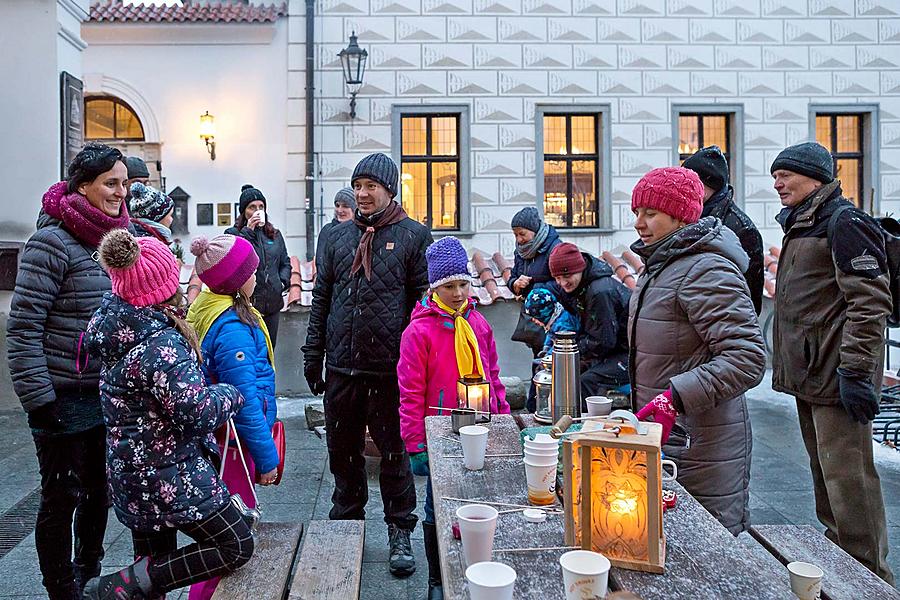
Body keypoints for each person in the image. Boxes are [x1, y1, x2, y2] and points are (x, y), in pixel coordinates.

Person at [83, 229, 251, 599]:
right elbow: (196, 410)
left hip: (134, 474)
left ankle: (129, 584)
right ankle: (123, 583)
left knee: (150, 571)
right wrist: (231, 393)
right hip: (169, 473)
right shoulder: (159, 342)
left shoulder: (117, 326)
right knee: (235, 544)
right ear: (162, 285)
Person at [7, 143, 132, 599]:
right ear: (83, 186)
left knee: (99, 494)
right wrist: (40, 401)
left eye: (124, 183)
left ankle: (88, 572)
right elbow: (23, 328)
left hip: (104, 393)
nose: (121, 192)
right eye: (110, 183)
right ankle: (60, 587)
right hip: (60, 395)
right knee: (62, 497)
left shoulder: (116, 240)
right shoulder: (51, 242)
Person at [303, 152, 432, 578]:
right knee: (342, 455)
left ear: (389, 189)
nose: (361, 194)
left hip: (389, 371)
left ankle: (399, 531)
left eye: (370, 186)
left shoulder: (415, 236)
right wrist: (313, 353)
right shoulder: (335, 237)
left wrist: (418, 365)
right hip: (342, 367)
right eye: (357, 186)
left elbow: (421, 305)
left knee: (394, 455)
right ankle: (347, 529)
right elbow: (322, 298)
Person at [770, 142, 894, 583]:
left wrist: (857, 372)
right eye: (774, 177)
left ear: (814, 177)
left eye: (785, 174)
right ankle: (842, 568)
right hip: (811, 373)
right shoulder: (805, 224)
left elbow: (870, 301)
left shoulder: (844, 222)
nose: (778, 183)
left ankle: (870, 581)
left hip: (837, 375)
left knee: (850, 483)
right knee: (826, 479)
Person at [628, 166, 765, 536]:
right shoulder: (661, 265)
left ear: (680, 216)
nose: (639, 223)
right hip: (672, 441)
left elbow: (747, 357)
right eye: (637, 213)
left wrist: (675, 396)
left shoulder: (704, 268)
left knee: (708, 555)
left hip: (701, 446)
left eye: (650, 213)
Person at [398, 236, 510, 600]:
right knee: (438, 505)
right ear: (434, 288)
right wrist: (415, 443)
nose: (459, 292)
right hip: (441, 432)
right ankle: (437, 578)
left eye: (463, 284)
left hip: (481, 425)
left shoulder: (479, 324)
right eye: (449, 286)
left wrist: (505, 419)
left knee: (481, 498)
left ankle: (478, 566)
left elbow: (493, 376)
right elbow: (411, 393)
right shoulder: (419, 332)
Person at [186, 233, 281, 600]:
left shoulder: (211, 308)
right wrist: (267, 459)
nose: (257, 275)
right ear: (236, 280)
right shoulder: (234, 331)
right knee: (229, 539)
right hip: (233, 449)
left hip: (225, 444)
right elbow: (244, 404)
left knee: (228, 535)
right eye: (252, 270)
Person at [683, 145, 764, 315]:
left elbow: (750, 298)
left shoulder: (742, 228)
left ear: (707, 184)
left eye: (689, 182)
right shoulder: (688, 215)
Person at [546, 243, 631, 399]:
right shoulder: (579, 286)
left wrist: (572, 351)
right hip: (611, 349)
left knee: (585, 381)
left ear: (580, 269)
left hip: (629, 354)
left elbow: (603, 341)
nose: (563, 283)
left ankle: (582, 421)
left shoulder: (600, 292)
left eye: (567, 276)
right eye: (558, 278)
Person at [225, 185, 291, 347]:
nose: (257, 210)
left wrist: (282, 282)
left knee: (269, 350)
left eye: (261, 206)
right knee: (250, 350)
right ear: (243, 211)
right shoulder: (233, 234)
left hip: (272, 305)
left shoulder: (274, 235)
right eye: (252, 207)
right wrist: (248, 231)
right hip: (246, 306)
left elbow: (285, 262)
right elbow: (235, 261)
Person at [508, 207, 562, 358]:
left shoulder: (555, 249)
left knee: (549, 360)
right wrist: (515, 284)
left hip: (552, 317)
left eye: (522, 234)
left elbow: (562, 283)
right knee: (538, 359)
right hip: (532, 319)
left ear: (535, 230)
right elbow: (513, 276)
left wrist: (532, 289)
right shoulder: (521, 251)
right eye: (515, 235)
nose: (519, 239)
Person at [523, 287, 580, 357]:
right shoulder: (553, 321)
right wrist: (546, 347)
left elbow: (561, 346)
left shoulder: (563, 325)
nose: (533, 320)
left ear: (544, 315)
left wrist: (549, 355)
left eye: (535, 318)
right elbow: (550, 335)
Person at [316, 186, 356, 262]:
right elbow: (320, 262)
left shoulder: (362, 230)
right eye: (337, 205)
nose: (340, 210)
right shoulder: (327, 230)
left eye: (345, 206)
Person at [129, 181, 175, 246]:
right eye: (170, 215)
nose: (172, 219)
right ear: (157, 217)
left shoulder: (144, 234)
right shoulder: (150, 243)